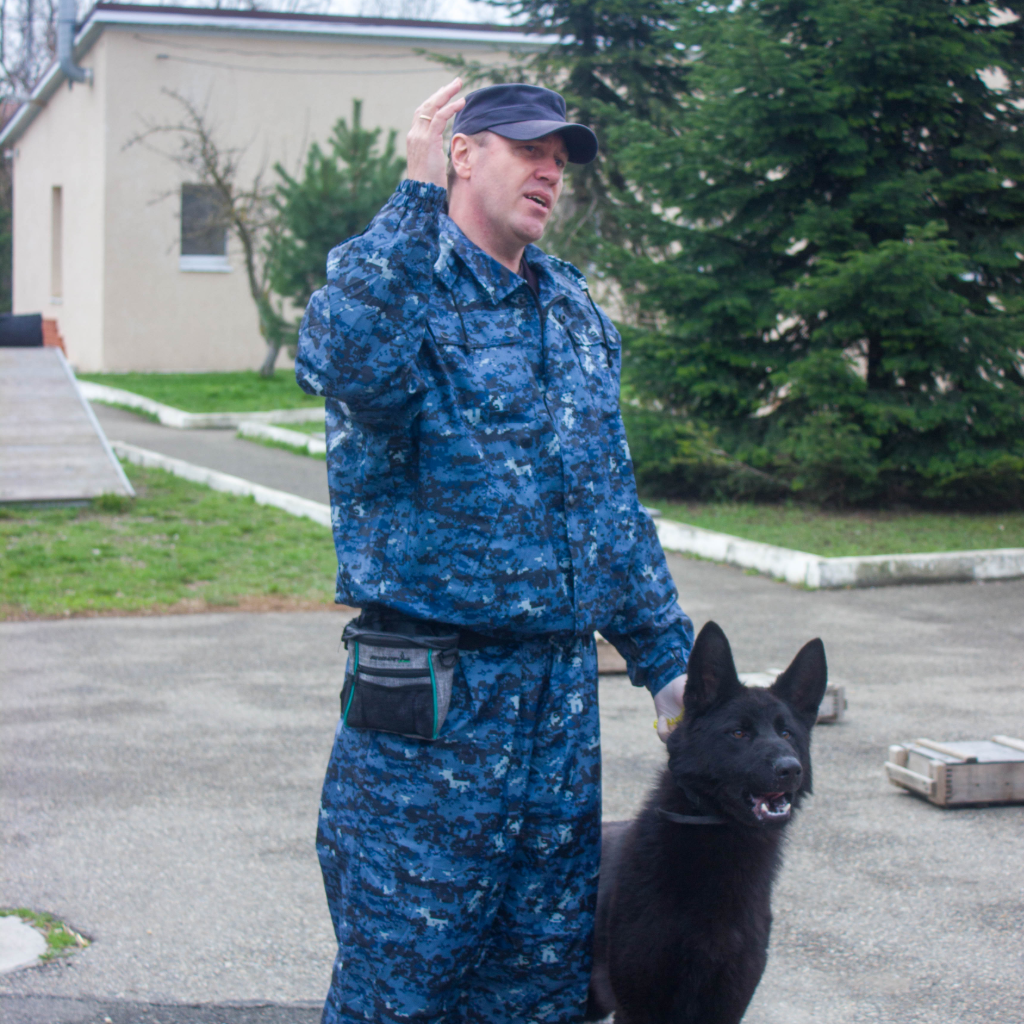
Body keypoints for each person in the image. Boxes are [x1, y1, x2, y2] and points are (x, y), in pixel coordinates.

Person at [295, 80, 694, 1024]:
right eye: (528, 149)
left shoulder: (570, 308)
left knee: (541, 986)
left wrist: (668, 661)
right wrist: (410, 200)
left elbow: (607, 506)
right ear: (461, 153)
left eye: (562, 157)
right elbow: (343, 359)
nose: (551, 170)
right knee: (402, 983)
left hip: (557, 704)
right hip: (434, 705)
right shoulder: (401, 281)